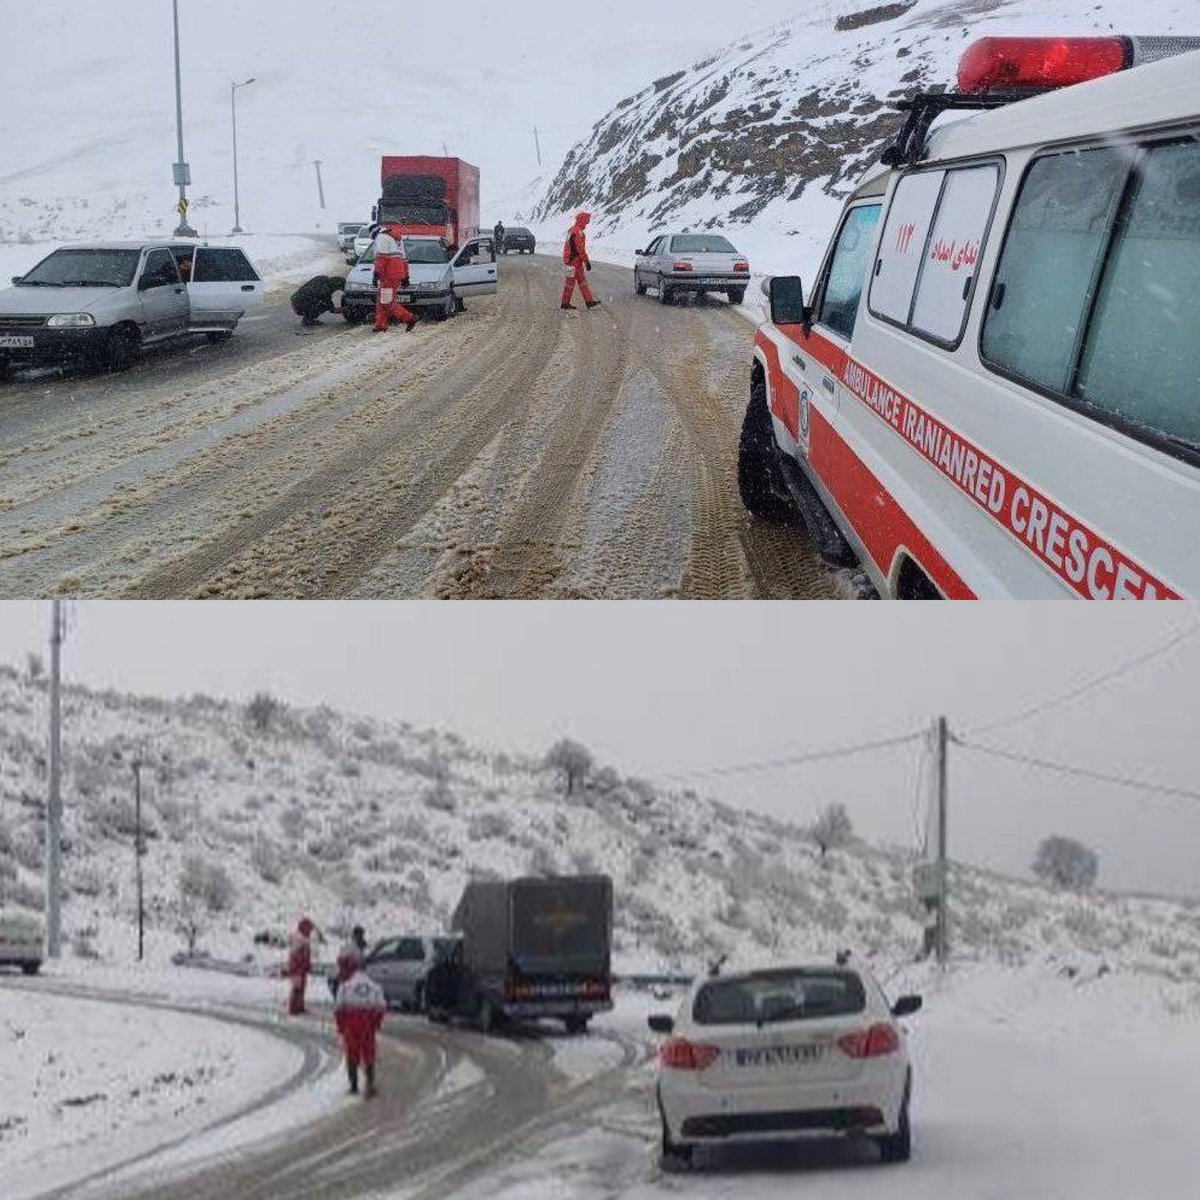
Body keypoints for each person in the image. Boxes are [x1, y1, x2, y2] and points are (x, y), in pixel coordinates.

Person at [334, 953, 386, 1097]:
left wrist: (341, 1027)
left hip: (351, 1024)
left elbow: (338, 1009)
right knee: (368, 1054)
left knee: (352, 1054)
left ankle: (354, 1086)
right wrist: (375, 1024)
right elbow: (381, 1007)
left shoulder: (344, 987)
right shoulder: (375, 986)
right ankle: (370, 1084)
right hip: (368, 1022)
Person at [373, 228, 417, 333]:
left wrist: (376, 273)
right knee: (382, 299)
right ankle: (380, 324)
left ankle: (409, 318)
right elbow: (404, 260)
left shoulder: (382, 238)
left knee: (386, 300)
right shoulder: (396, 241)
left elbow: (381, 258)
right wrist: (406, 276)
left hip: (388, 274)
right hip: (397, 273)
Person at [561, 211, 600, 312]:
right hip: (574, 261)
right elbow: (580, 249)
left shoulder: (572, 230)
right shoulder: (578, 232)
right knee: (573, 282)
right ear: (582, 220)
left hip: (572, 260)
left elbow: (569, 246)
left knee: (579, 282)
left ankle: (588, 301)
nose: (587, 223)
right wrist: (586, 261)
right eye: (587, 221)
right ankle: (566, 303)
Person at [287, 917, 315, 1015]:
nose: (310, 932)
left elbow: (305, 955)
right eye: (309, 929)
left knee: (301, 988)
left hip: (301, 968)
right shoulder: (299, 939)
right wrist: (299, 967)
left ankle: (299, 1006)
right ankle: (294, 1008)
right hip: (297, 969)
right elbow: (296, 955)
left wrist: (307, 965)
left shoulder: (303, 939)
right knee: (297, 988)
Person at [332, 925, 369, 996]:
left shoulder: (361, 947)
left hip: (357, 974)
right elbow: (341, 960)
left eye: (361, 935)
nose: (360, 937)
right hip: (350, 975)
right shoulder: (351, 947)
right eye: (358, 935)